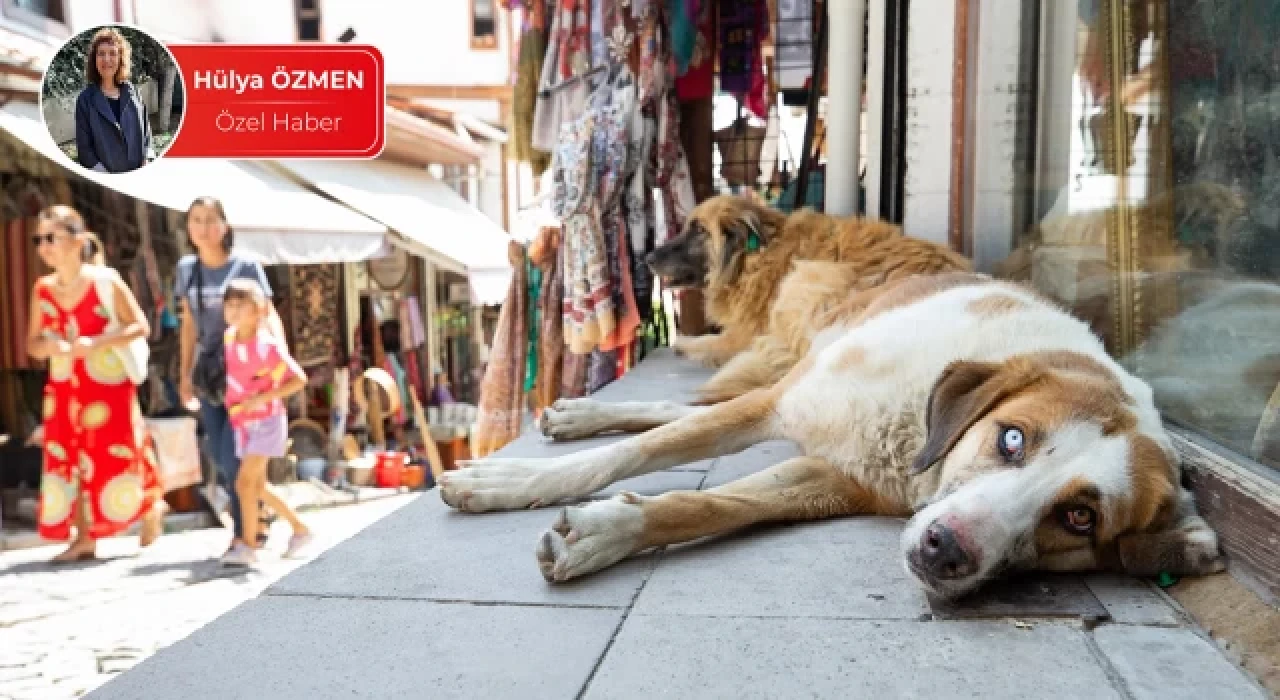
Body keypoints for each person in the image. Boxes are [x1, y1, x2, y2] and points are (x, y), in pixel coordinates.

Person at [25, 205, 164, 562]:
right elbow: (32, 344)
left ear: (77, 240)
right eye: (39, 239)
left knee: (115, 453)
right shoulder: (42, 289)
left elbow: (140, 327)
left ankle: (149, 507)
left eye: (51, 237)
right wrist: (50, 346)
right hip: (63, 386)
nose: (43, 246)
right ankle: (84, 537)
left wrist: (96, 343)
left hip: (107, 385)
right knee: (67, 457)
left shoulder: (105, 281)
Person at [176, 196, 285, 566]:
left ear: (224, 226)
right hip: (210, 373)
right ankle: (252, 525)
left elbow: (269, 316)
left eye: (210, 220)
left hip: (247, 371)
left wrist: (278, 364)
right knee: (223, 456)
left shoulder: (246, 266)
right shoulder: (187, 270)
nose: (203, 227)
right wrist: (184, 373)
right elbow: (189, 324)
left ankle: (246, 532)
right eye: (195, 220)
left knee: (233, 453)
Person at [221, 279, 314, 566]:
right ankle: (300, 529)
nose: (234, 311)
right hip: (243, 422)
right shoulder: (228, 338)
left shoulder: (267, 347)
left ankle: (248, 545)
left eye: (241, 304)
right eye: (230, 304)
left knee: (244, 483)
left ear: (260, 310)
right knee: (257, 488)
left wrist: (264, 398)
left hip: (267, 421)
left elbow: (298, 379)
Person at [74, 27, 154, 174]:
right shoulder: (85, 100)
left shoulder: (133, 92)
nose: (106, 59)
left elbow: (146, 134)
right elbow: (85, 150)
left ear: (120, 58)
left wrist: (146, 161)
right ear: (94, 59)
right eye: (101, 54)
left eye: (112, 53)